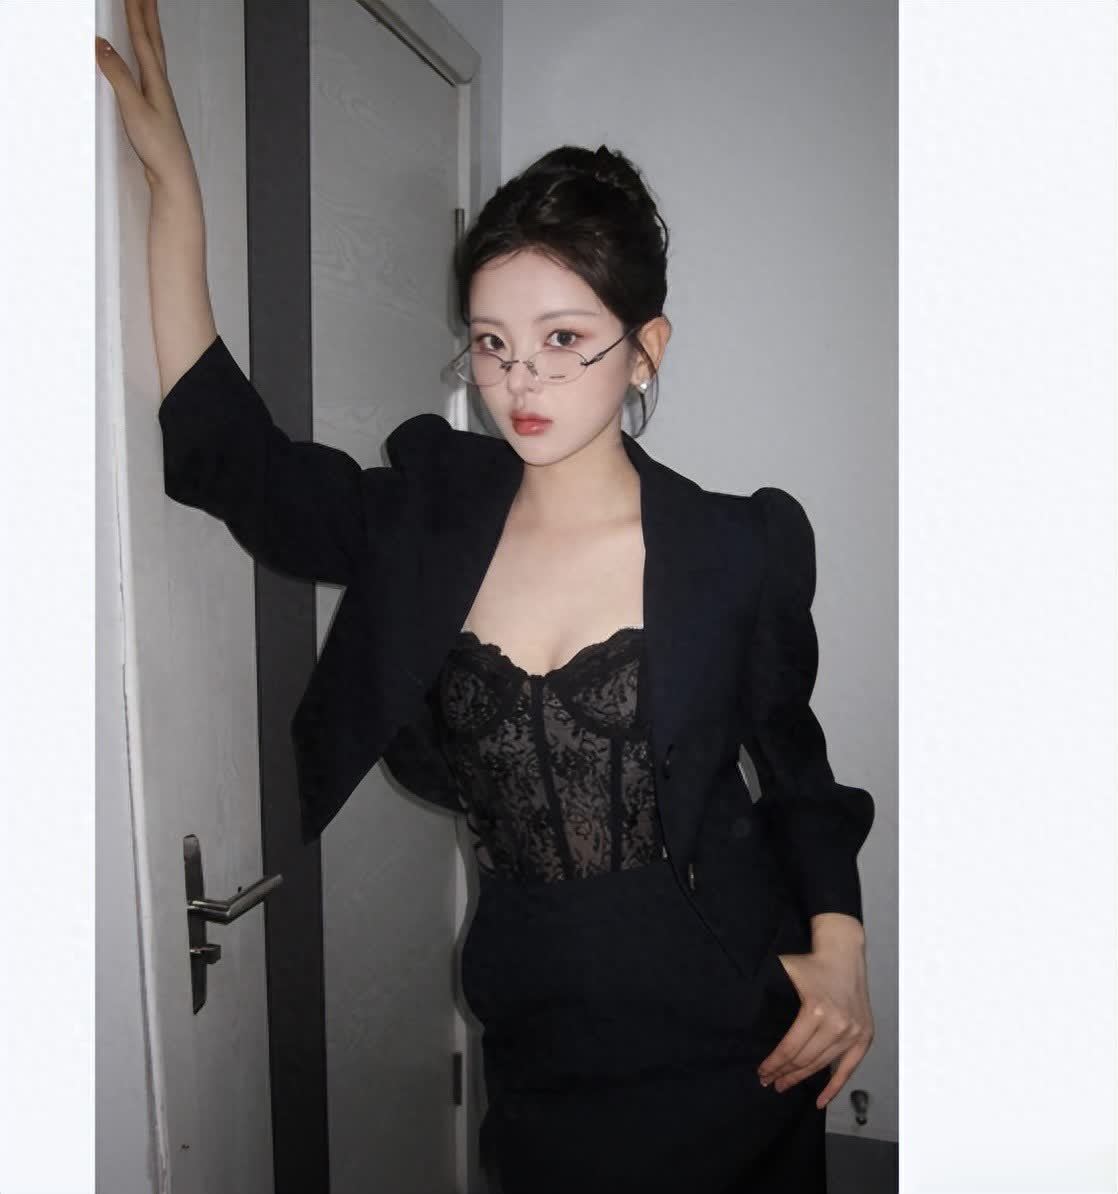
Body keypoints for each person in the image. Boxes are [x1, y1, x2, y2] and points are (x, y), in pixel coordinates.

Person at [97, 5, 876, 1191]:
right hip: (538, 1032)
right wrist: (173, 189)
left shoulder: (737, 547)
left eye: (563, 339)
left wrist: (841, 948)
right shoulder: (424, 519)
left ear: (645, 347)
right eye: (492, 342)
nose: (520, 379)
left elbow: (799, 774)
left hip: (731, 1026)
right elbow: (233, 463)